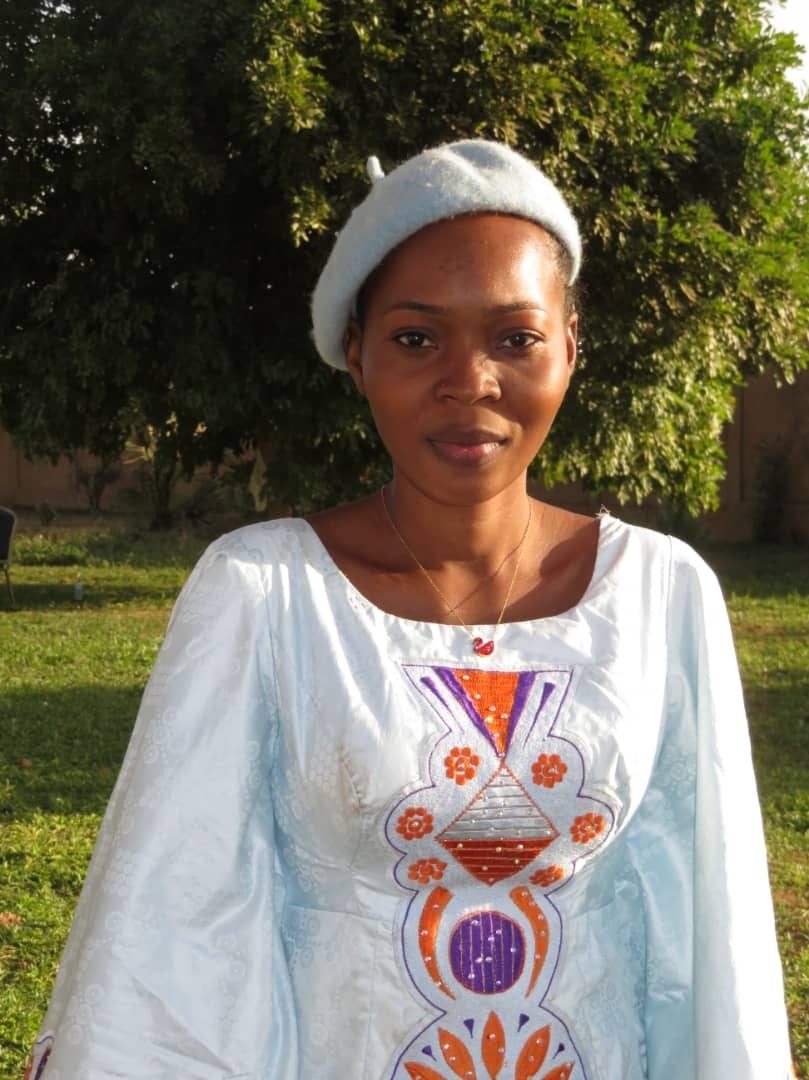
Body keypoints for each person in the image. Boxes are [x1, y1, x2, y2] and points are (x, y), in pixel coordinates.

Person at [26, 140, 793, 1080]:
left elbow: (709, 917)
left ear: (569, 345)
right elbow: (175, 923)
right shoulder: (265, 592)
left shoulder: (660, 593)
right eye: (417, 339)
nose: (469, 380)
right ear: (356, 352)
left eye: (514, 338)